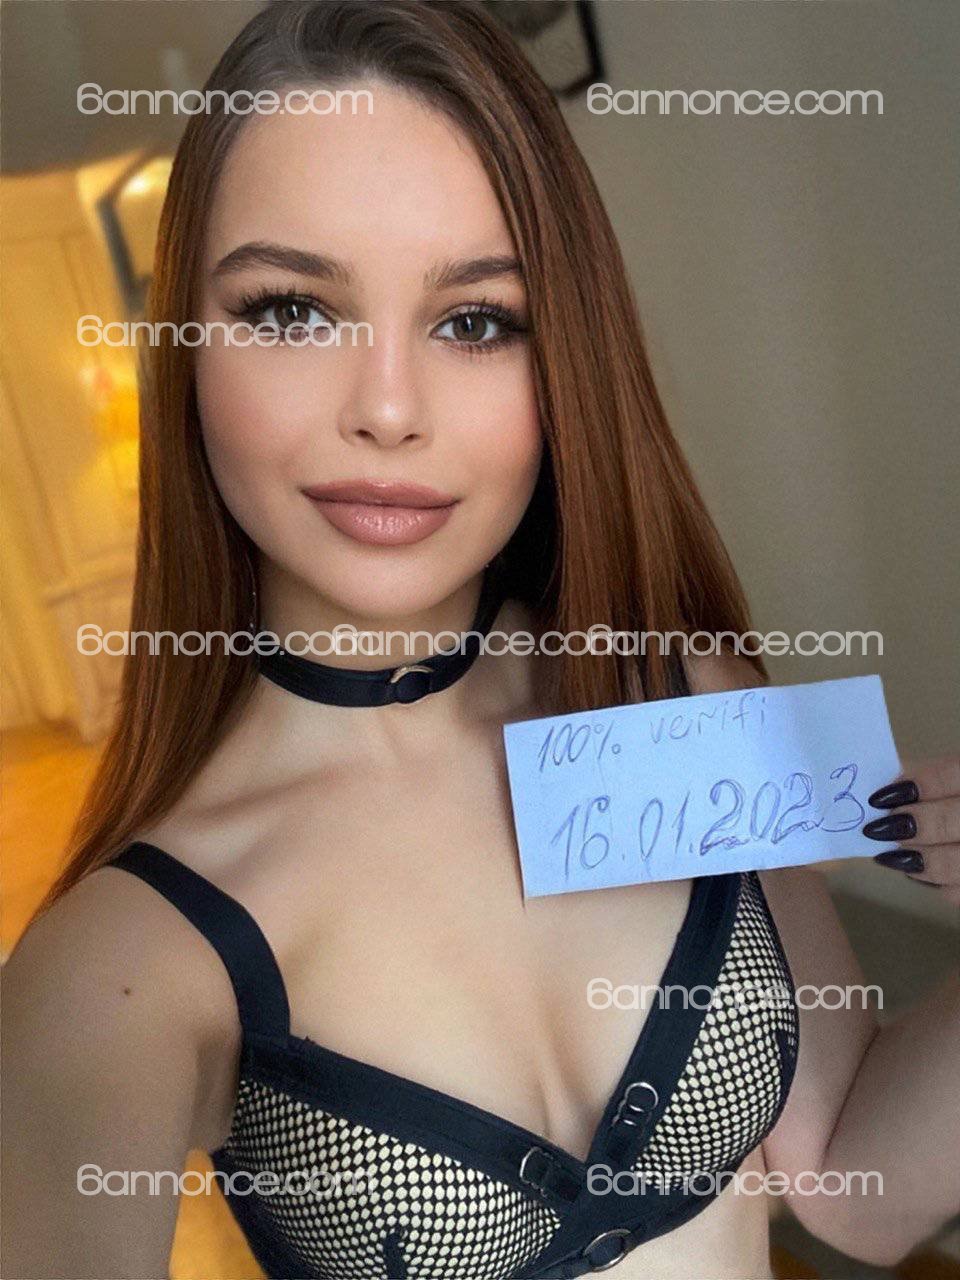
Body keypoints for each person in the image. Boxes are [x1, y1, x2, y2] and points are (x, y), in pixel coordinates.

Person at [3, 3, 957, 1278]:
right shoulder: (121, 964)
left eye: (475, 321)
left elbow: (847, 1186)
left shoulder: (670, 701)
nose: (389, 409)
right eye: (291, 311)